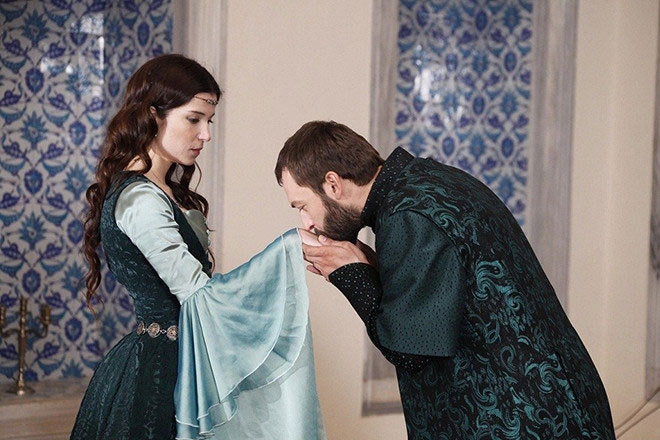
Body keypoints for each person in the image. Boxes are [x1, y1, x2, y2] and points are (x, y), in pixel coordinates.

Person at [276, 120, 616, 439]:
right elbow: (444, 298)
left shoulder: (407, 214)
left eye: (302, 206)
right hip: (549, 403)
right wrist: (372, 270)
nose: (307, 223)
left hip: (522, 419)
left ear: (333, 184)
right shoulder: (425, 183)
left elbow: (411, 349)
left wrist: (351, 276)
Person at [71, 54, 325, 440]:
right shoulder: (141, 200)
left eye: (209, 121)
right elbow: (197, 293)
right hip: (160, 378)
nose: (205, 134)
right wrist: (286, 251)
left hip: (179, 362)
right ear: (153, 116)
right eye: (194, 119)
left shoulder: (162, 191)